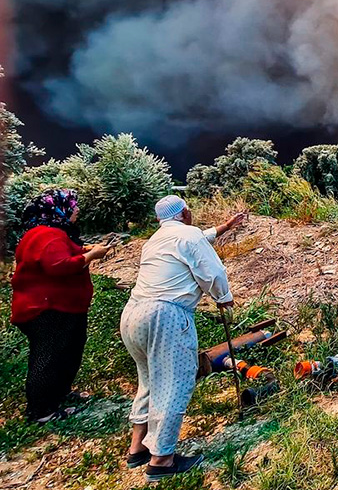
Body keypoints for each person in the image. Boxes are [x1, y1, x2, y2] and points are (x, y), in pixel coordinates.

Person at [120, 195, 245, 480]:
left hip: (133, 315)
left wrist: (225, 225)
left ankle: (137, 449)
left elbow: (199, 238)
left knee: (149, 381)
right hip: (165, 316)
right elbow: (212, 271)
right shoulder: (189, 234)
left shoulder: (155, 239)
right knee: (175, 381)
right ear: (185, 213)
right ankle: (162, 459)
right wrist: (224, 298)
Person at [10, 189, 111, 422]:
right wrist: (92, 255)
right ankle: (41, 411)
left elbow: (57, 256)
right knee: (49, 357)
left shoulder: (46, 233)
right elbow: (59, 266)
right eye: (73, 205)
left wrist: (83, 250)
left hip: (60, 307)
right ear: (58, 209)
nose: (76, 210)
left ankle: (59, 395)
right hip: (48, 309)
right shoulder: (48, 235)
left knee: (68, 351)